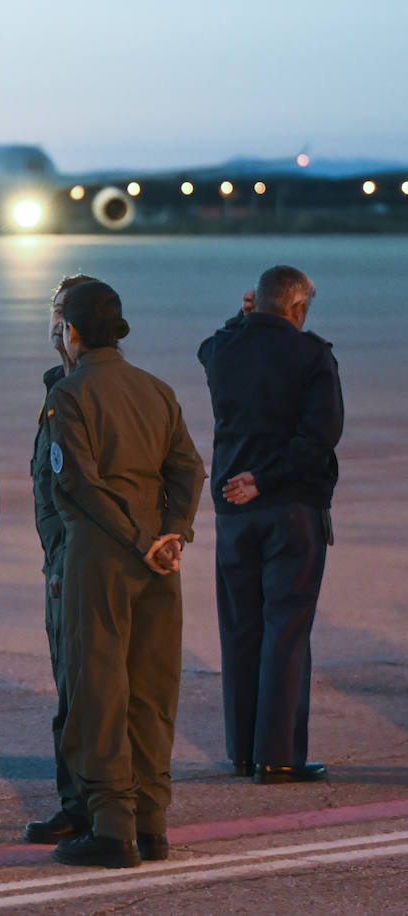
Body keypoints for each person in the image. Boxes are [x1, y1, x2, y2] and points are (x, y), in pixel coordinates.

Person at [45, 281, 205, 868]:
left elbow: (80, 483)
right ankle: (152, 823)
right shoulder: (157, 391)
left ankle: (113, 827)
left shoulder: (70, 395)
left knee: (100, 690)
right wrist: (173, 533)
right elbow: (189, 468)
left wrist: (140, 541)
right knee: (153, 690)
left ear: (74, 333)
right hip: (162, 564)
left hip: (103, 560)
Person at [198, 265, 342, 784]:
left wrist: (242, 320)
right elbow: (321, 435)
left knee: (240, 628)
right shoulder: (312, 355)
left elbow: (209, 346)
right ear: (298, 309)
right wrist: (268, 478)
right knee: (286, 630)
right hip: (291, 512)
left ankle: (242, 752)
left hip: (233, 513)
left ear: (254, 304)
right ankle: (278, 757)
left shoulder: (223, 349)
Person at [23, 274, 95, 846]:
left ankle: (108, 809)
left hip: (92, 565)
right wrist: (54, 554)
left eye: (61, 315)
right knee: (68, 689)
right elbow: (46, 488)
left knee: (97, 689)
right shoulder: (58, 390)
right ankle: (76, 803)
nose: (54, 327)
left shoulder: (93, 392)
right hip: (65, 561)